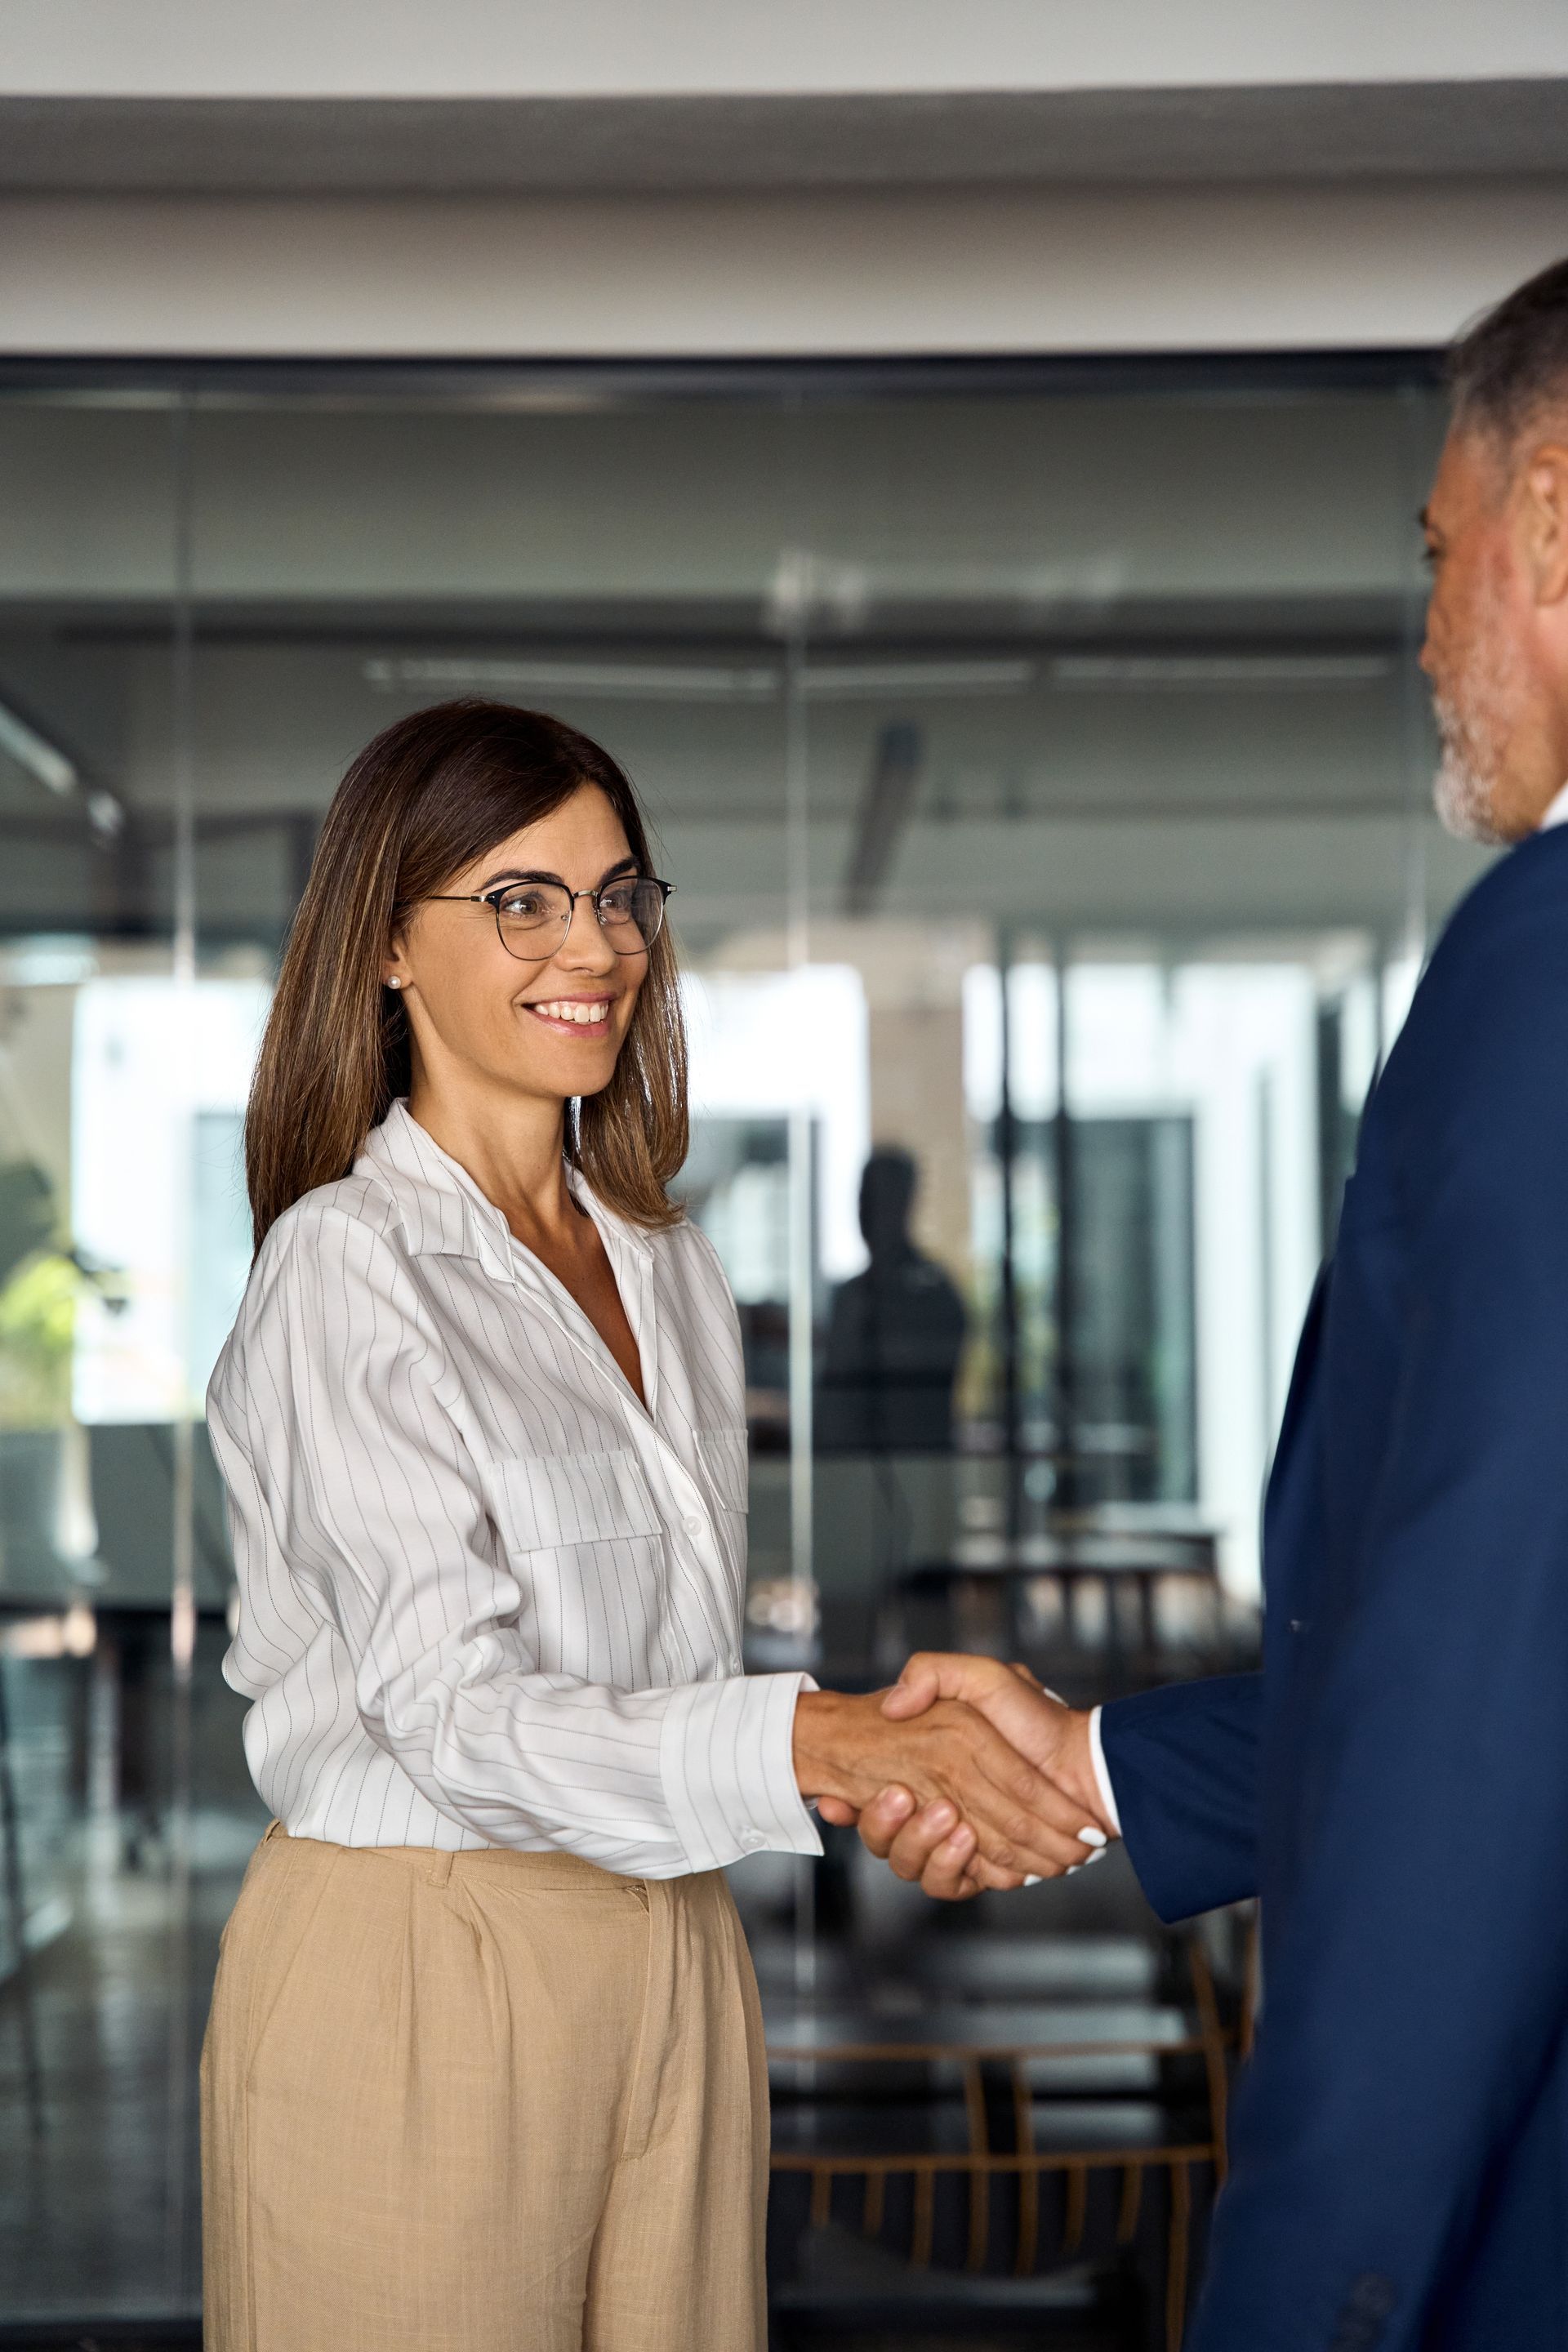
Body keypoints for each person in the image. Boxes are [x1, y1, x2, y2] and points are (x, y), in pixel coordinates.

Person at [829, 255, 1568, 2348]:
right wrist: (1091, 1763)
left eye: (1437, 555)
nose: (1422, 634)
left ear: (1550, 523)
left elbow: (1480, 1715)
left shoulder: (1549, 972)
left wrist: (1293, 2297)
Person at [199, 699, 1102, 2352]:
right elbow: (454, 1716)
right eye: (521, 899)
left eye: (619, 895)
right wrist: (835, 1751)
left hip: (676, 1944)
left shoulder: (669, 1264)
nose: (594, 943)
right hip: (424, 1962)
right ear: (389, 946)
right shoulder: (347, 1267)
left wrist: (885, 1749)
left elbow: (667, 1665)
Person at [817, 1147, 967, 1453]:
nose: (866, 1212)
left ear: (903, 1205)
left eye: (879, 1200)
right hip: (851, 1475)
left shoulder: (933, 1293)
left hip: (916, 1472)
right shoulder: (851, 1297)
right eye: (864, 1200)